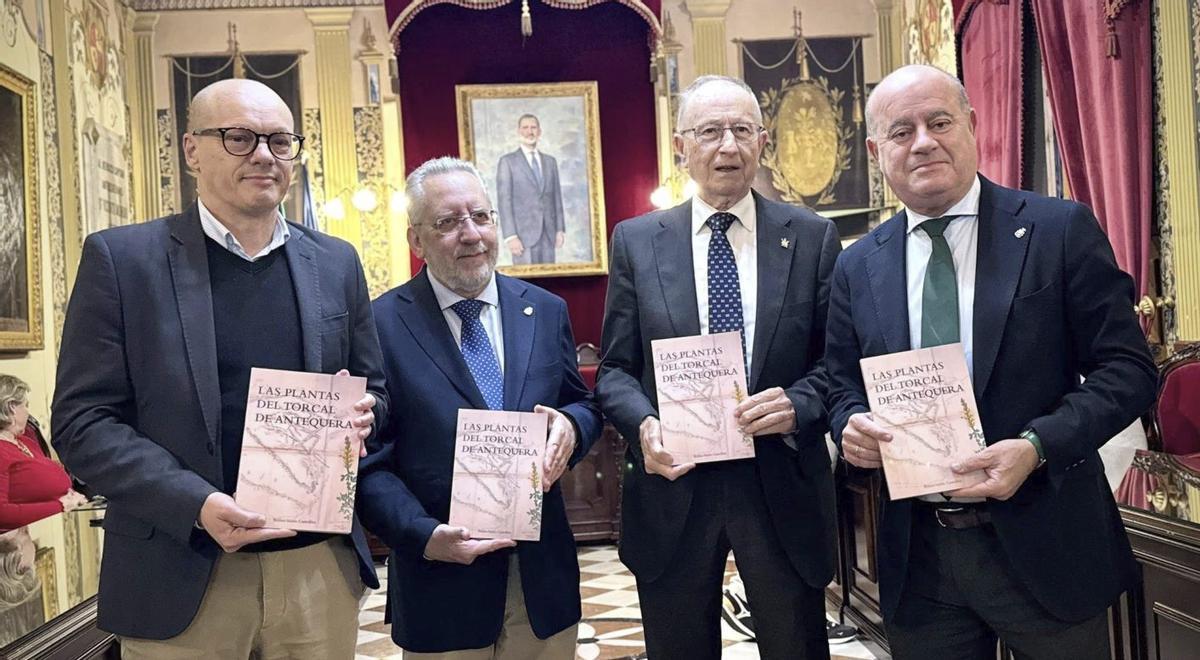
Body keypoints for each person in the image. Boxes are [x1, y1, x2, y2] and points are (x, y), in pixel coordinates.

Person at [825, 64, 1157, 659]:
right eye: (901, 132)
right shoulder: (858, 265)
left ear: (973, 126)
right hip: (918, 558)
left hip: (1046, 543)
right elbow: (842, 386)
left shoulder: (1058, 230)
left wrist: (1036, 445)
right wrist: (849, 427)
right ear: (877, 152)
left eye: (940, 122)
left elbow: (1128, 370)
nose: (923, 141)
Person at [51, 78, 388, 659]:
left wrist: (364, 416)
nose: (263, 154)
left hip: (316, 573)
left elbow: (374, 389)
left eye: (280, 141)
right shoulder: (121, 260)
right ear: (191, 150)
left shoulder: (336, 262)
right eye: (238, 137)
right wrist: (196, 504)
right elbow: (83, 424)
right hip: (181, 569)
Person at [594, 75, 840, 660]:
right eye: (709, 131)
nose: (727, 147)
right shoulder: (636, 240)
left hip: (780, 482)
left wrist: (797, 406)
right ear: (681, 147)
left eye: (742, 130)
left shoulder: (812, 237)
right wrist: (644, 426)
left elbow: (838, 364)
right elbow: (614, 370)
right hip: (675, 486)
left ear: (763, 141)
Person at [358, 156, 601, 658]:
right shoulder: (380, 324)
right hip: (440, 585)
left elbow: (583, 405)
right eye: (448, 222)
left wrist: (573, 429)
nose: (470, 234)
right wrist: (423, 535)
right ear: (416, 241)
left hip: (542, 585)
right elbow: (366, 460)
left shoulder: (544, 309)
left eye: (481, 217)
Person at [0, 375, 87, 532]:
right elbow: (2, 514)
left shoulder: (25, 440)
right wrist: (60, 505)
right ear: (12, 407)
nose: (28, 412)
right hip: (17, 542)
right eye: (25, 405)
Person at [496, 114, 566, 264]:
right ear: (518, 131)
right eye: (525, 128)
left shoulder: (550, 162)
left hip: (548, 234)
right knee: (524, 284)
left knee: (550, 283)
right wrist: (510, 236)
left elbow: (556, 198)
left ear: (539, 131)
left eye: (533, 127)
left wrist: (560, 229)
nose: (530, 132)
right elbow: (504, 201)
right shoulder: (507, 162)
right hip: (522, 238)